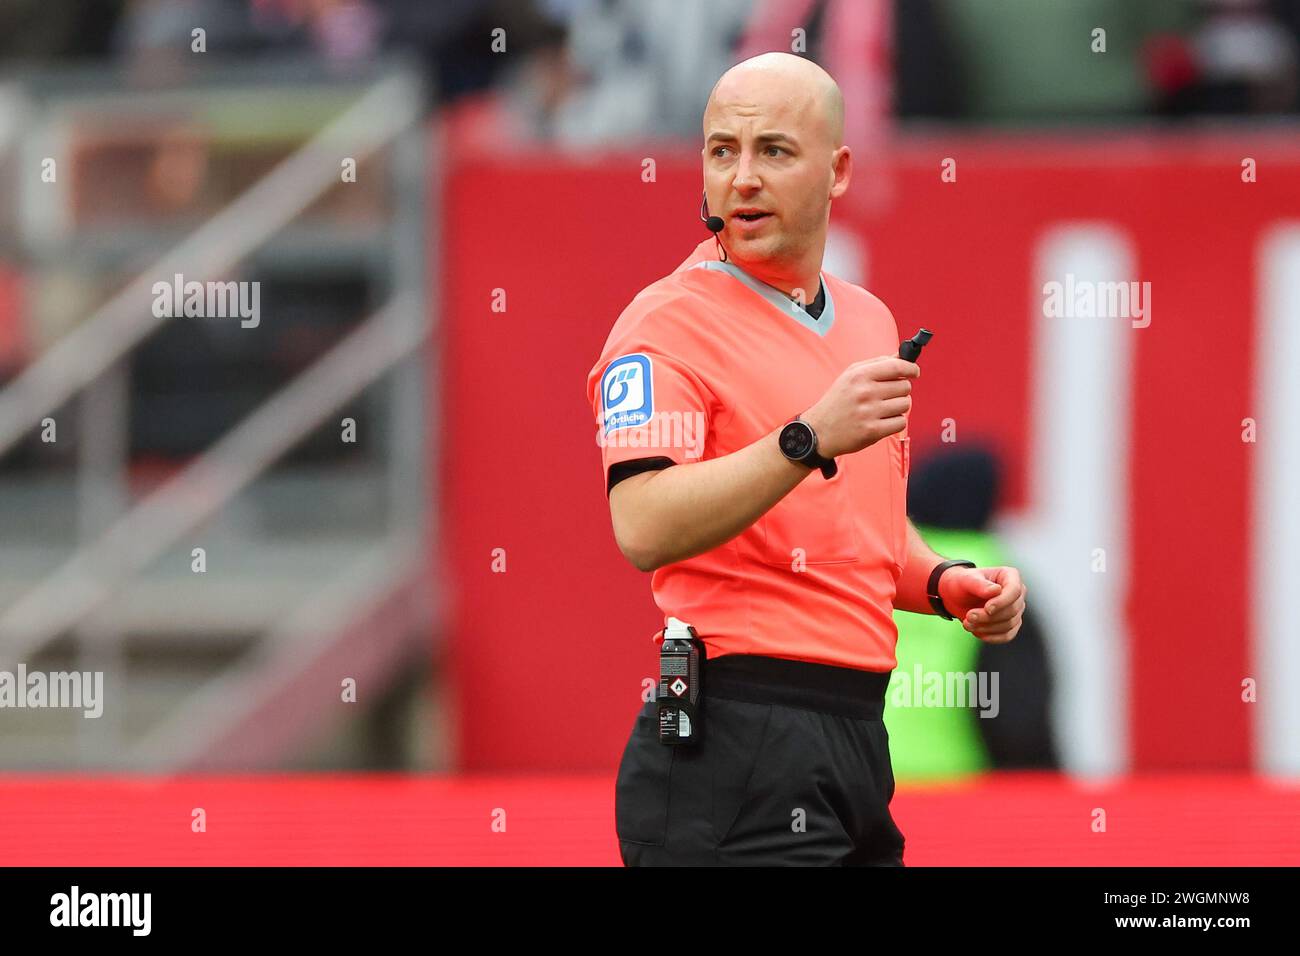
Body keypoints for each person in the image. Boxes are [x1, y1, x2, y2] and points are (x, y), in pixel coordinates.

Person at [584, 52, 1027, 866]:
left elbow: (865, 535)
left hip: (857, 735)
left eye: (774, 152)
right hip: (732, 733)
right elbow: (642, 523)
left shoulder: (864, 318)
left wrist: (943, 583)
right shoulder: (666, 325)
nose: (742, 177)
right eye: (723, 151)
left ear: (839, 171)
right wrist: (807, 438)